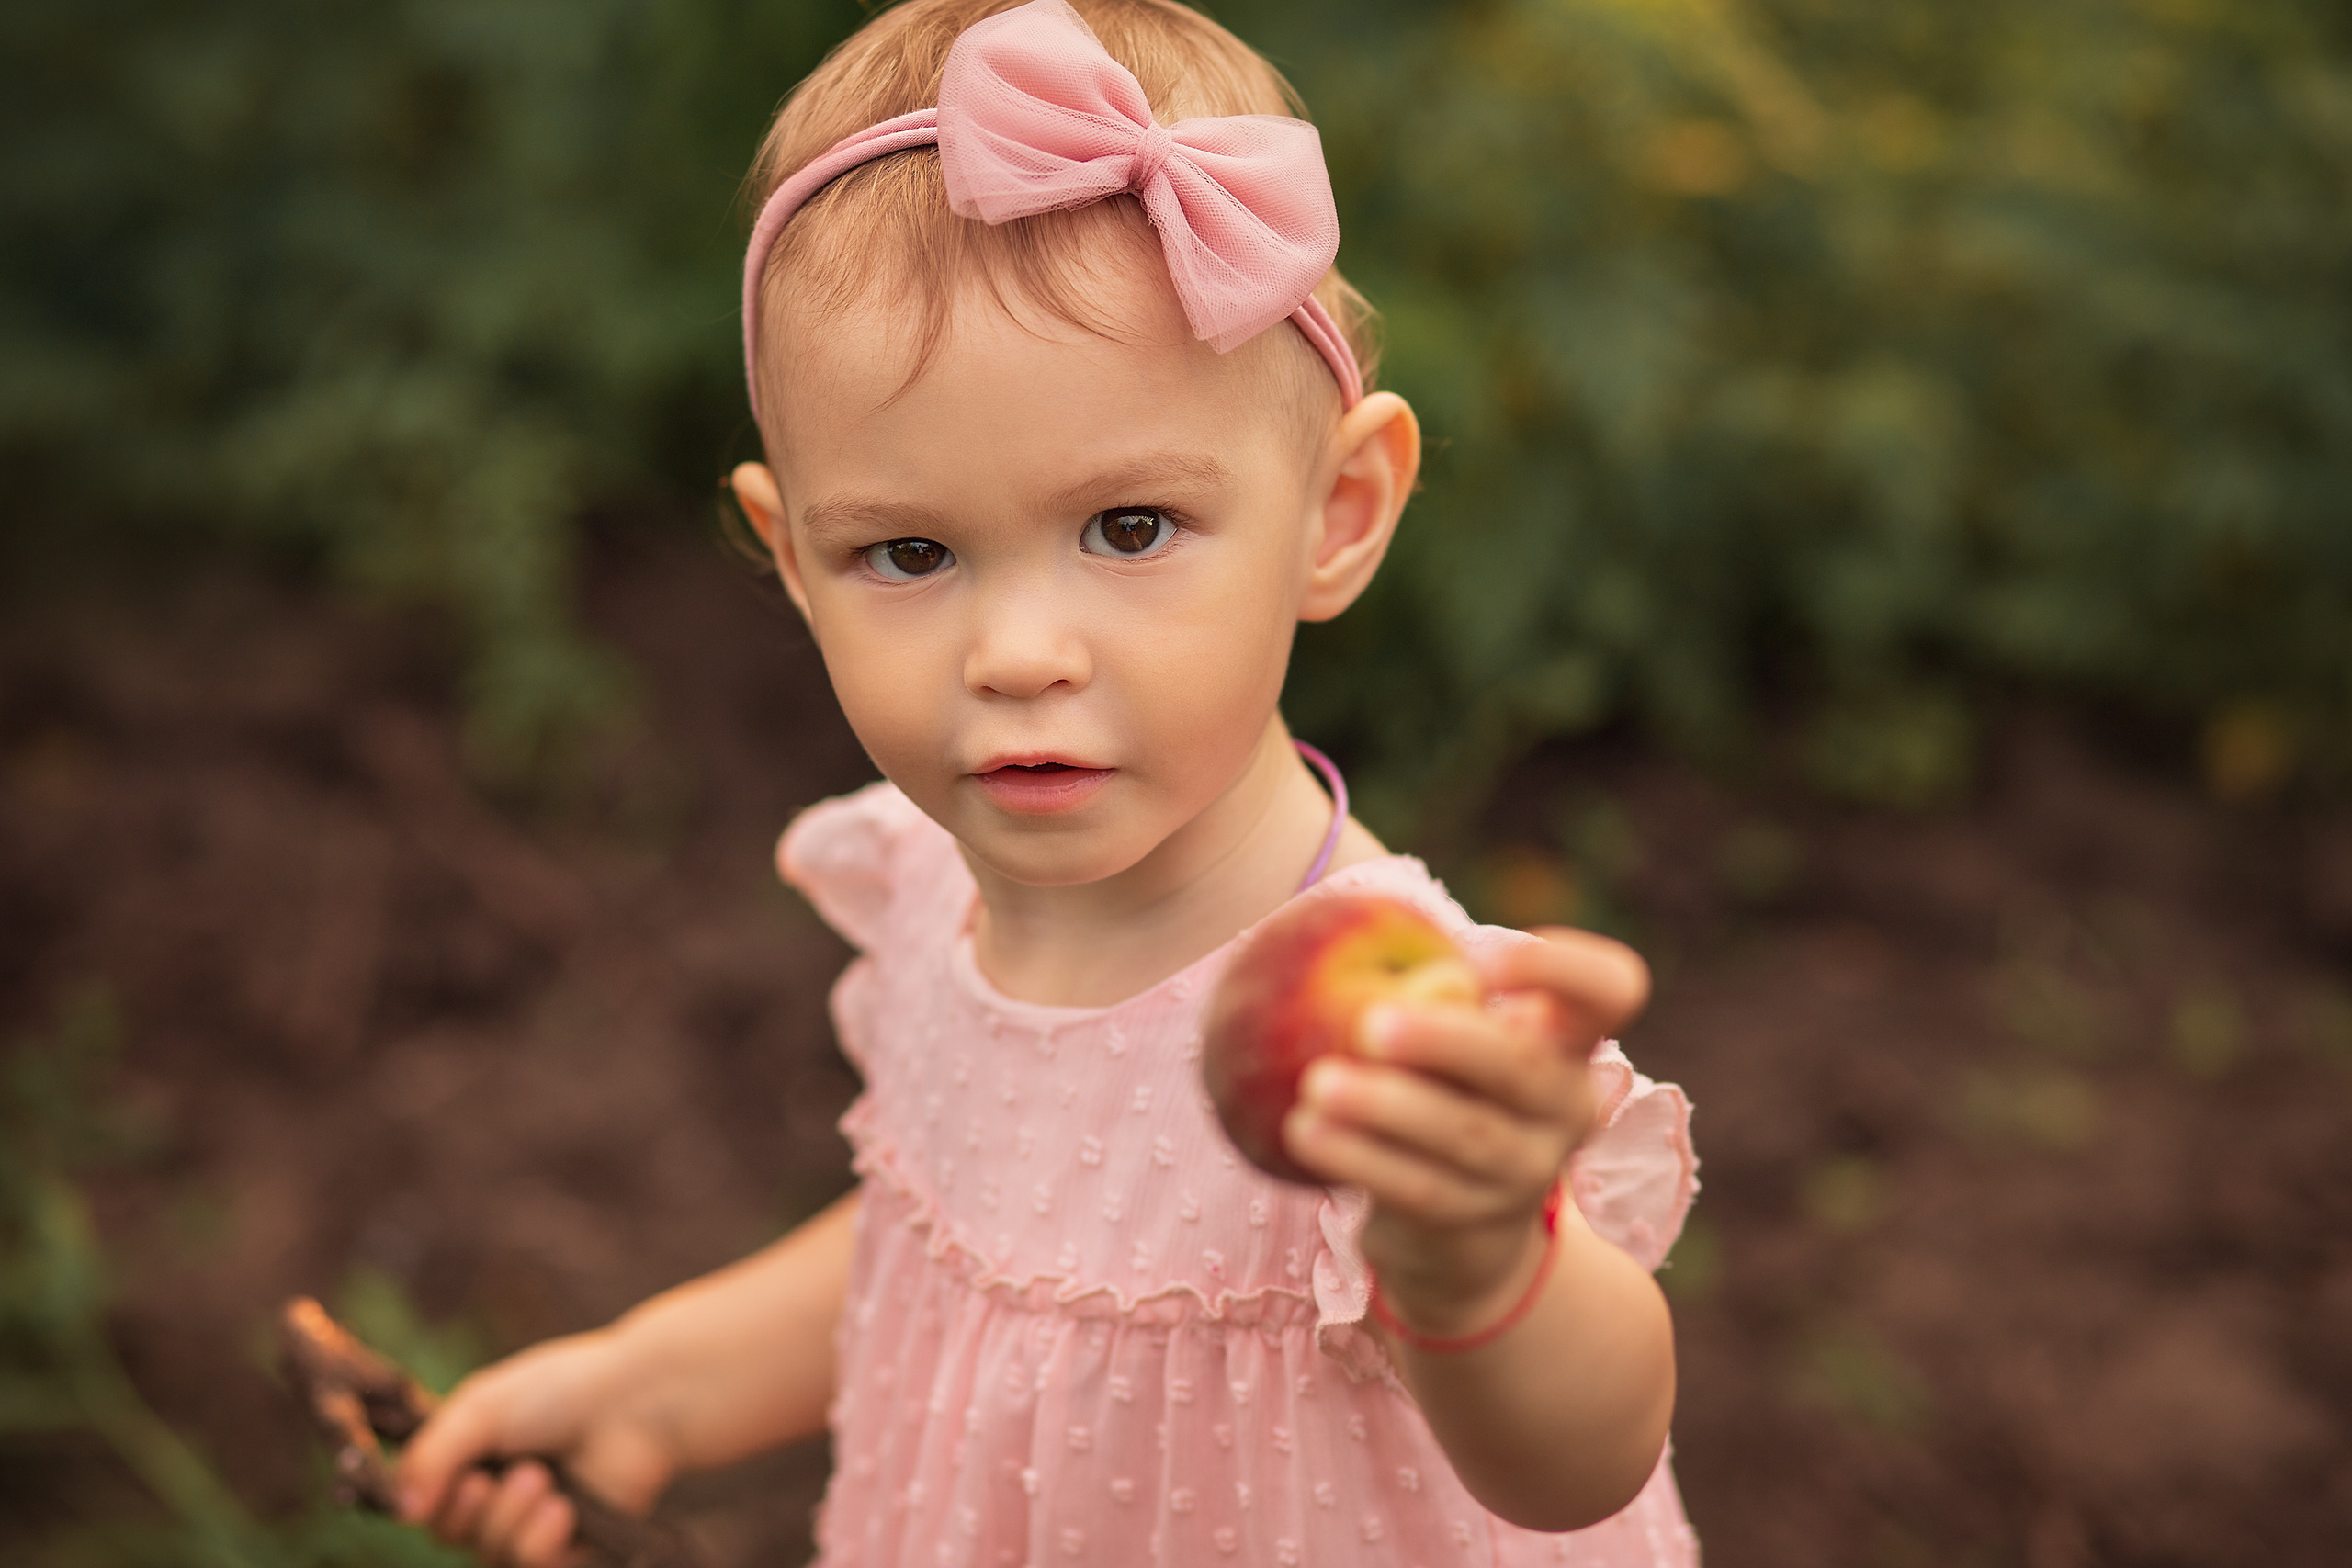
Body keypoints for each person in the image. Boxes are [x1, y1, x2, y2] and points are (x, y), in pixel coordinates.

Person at [395, 2, 1701, 1562]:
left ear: (1338, 510)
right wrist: (656, 1389)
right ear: (791, 554)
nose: (1018, 653)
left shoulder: (1398, 1018)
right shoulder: (935, 888)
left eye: (1131, 528)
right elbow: (960, 1249)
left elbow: (1583, 1463)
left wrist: (1487, 1263)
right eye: (910, 552)